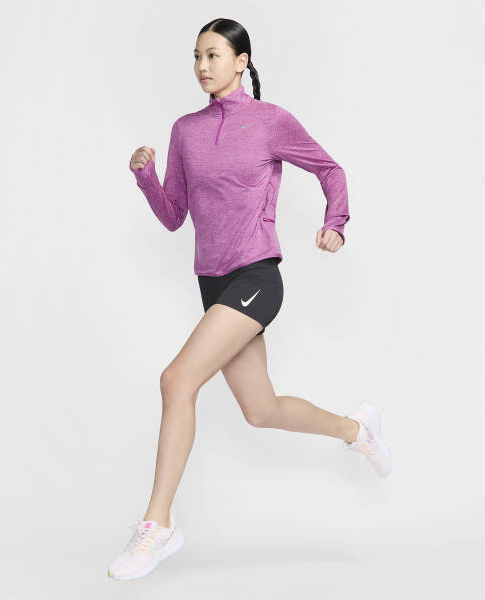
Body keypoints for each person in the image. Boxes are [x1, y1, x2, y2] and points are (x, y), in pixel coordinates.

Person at [108, 18, 391, 582]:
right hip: (212, 283)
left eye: (213, 55)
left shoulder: (270, 121)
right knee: (260, 410)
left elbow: (330, 169)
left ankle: (158, 525)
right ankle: (356, 430)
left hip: (256, 275)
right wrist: (146, 177)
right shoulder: (185, 130)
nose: (202, 66)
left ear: (241, 61)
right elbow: (174, 217)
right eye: (196, 56)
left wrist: (336, 223)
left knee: (176, 381)